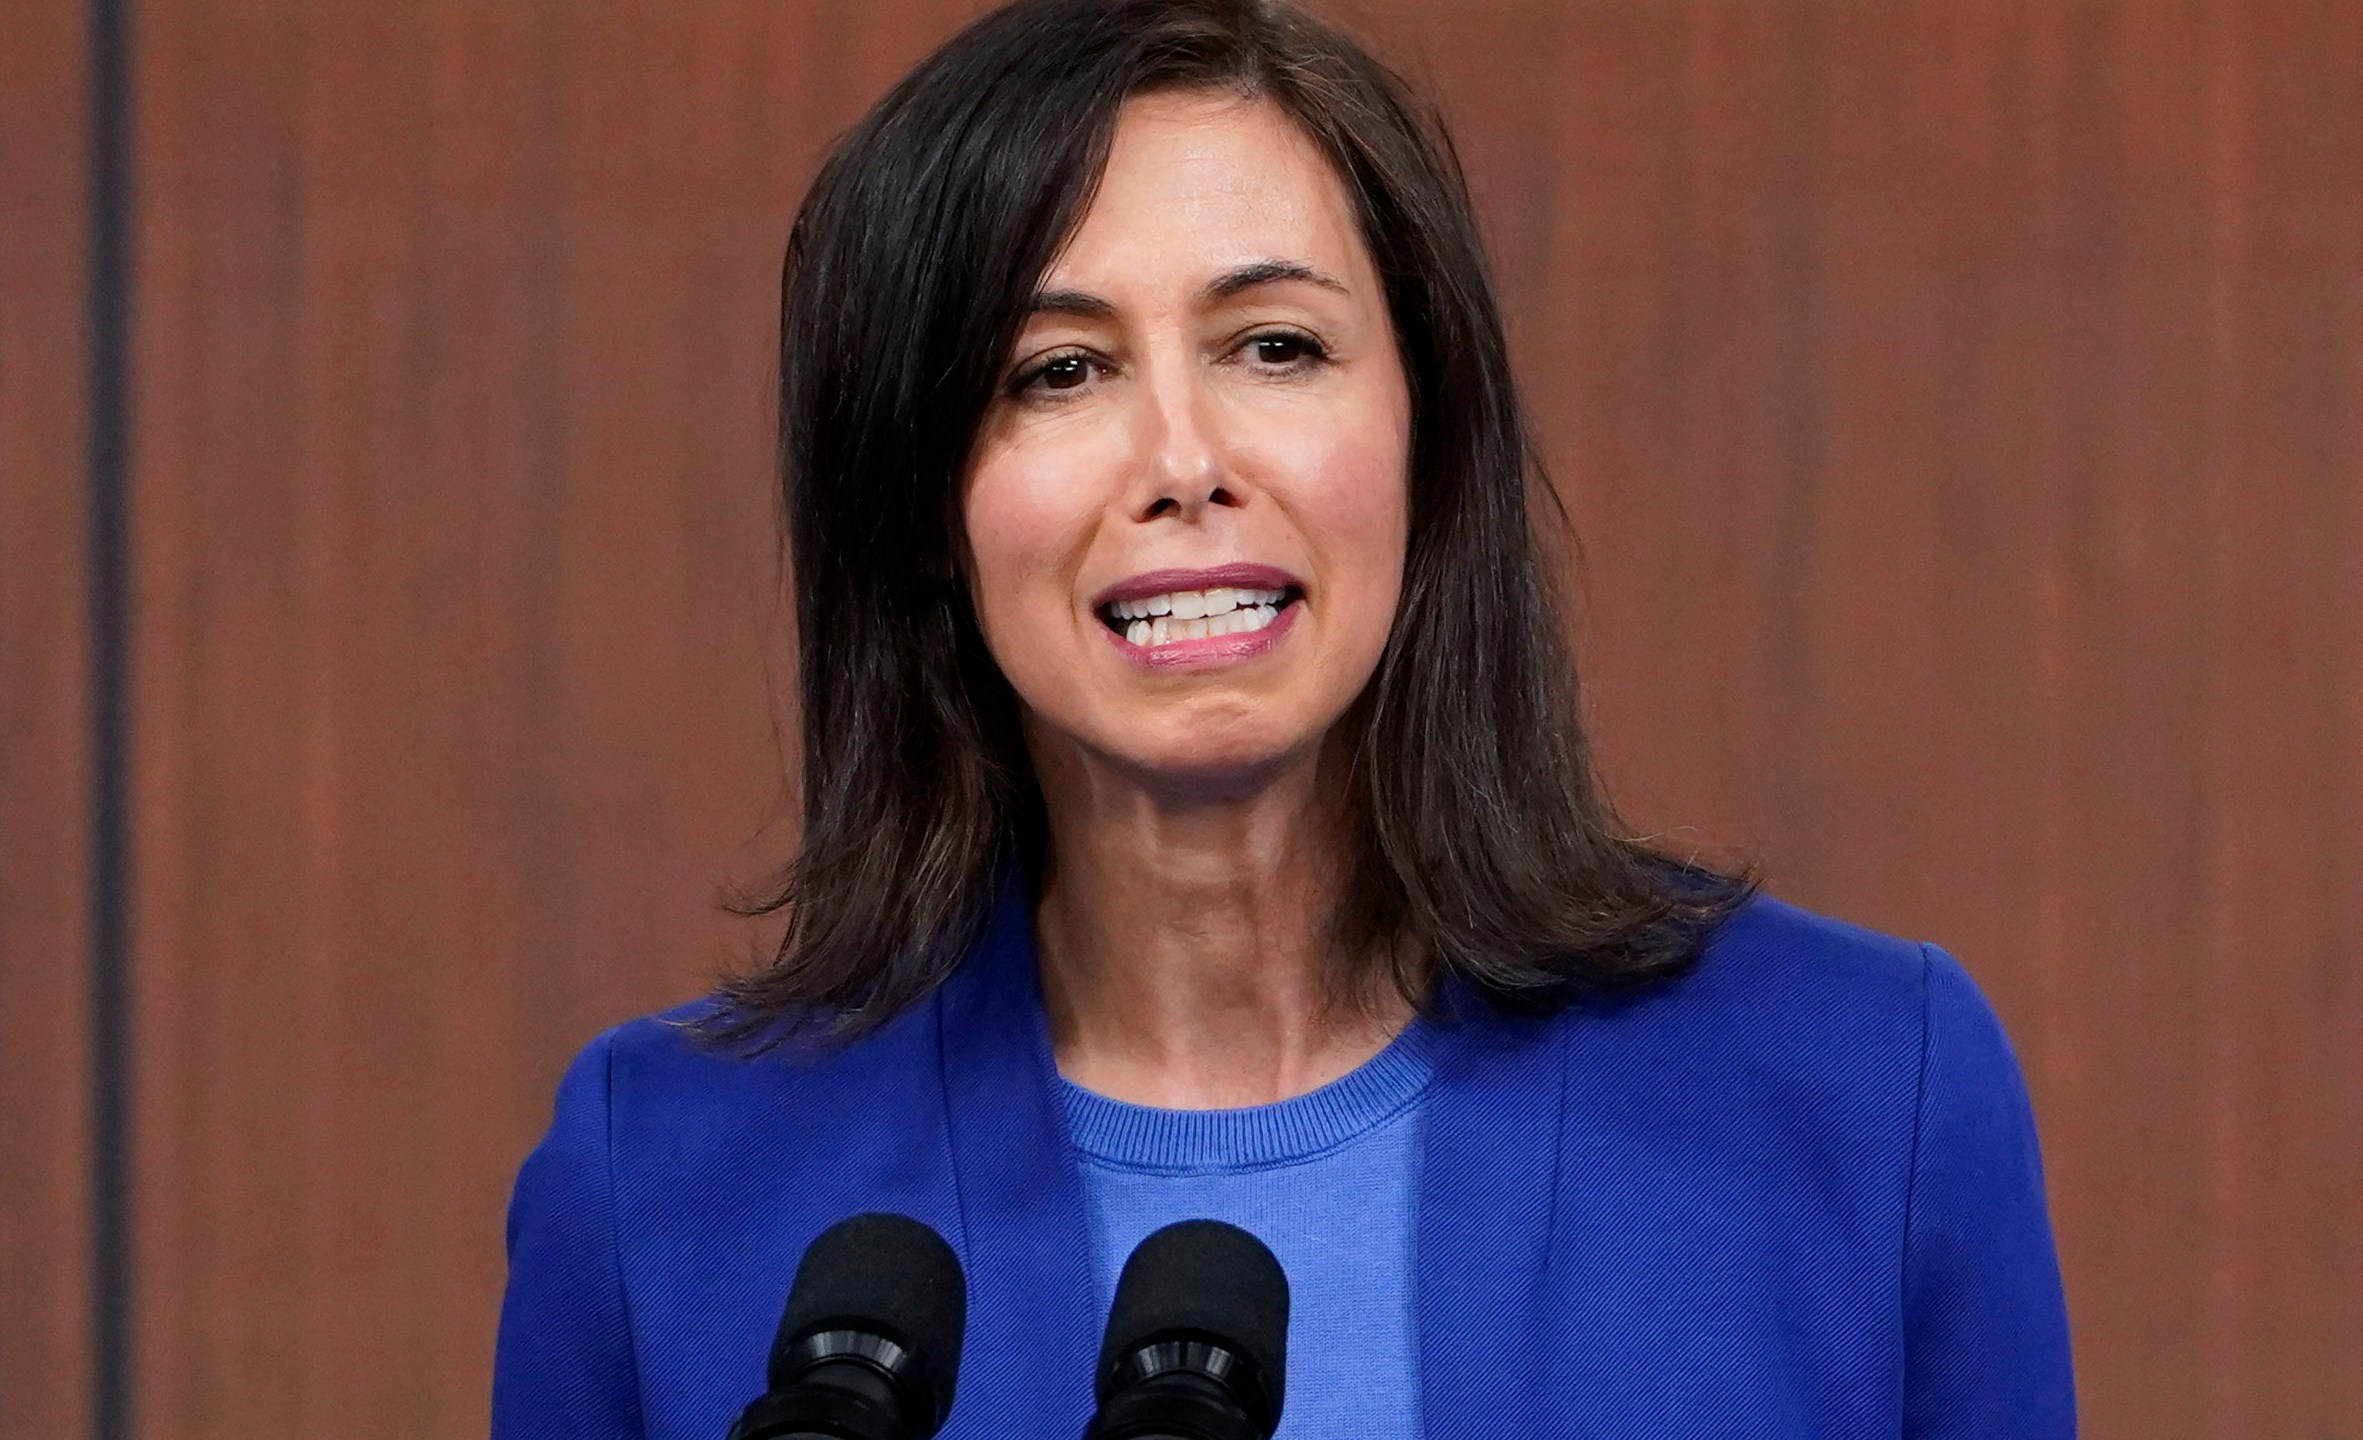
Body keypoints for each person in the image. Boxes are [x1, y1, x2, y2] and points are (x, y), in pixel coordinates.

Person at [491, 1, 2076, 1436]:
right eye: (1058, 371)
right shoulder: (661, 1190)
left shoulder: (1870, 1097)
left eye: (1276, 346)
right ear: (922, 503)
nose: (1183, 458)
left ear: (1428, 439)